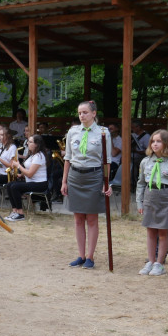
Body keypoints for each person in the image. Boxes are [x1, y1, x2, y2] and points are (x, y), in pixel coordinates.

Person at [61, 100, 113, 268]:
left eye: (85, 112)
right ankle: (81, 255)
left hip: (94, 176)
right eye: (79, 113)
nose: (81, 115)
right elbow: (68, 157)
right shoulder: (73, 131)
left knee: (91, 218)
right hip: (75, 176)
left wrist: (106, 182)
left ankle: (90, 257)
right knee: (77, 218)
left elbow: (107, 161)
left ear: (94, 113)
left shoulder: (103, 133)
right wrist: (64, 181)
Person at [135, 130, 168, 276]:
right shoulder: (145, 162)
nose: (155, 144)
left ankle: (159, 263)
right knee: (150, 231)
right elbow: (141, 183)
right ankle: (150, 261)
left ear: (167, 144)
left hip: (165, 198)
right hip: (150, 198)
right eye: (153, 141)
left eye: (158, 141)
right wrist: (139, 202)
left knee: (163, 232)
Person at [4, 134, 49, 221]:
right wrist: (20, 175)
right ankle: (15, 211)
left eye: (30, 142)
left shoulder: (39, 156)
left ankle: (20, 214)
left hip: (40, 184)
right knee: (10, 185)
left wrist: (18, 166)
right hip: (31, 182)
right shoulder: (32, 155)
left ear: (36, 144)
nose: (27, 143)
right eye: (28, 141)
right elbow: (28, 171)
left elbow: (30, 174)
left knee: (15, 187)